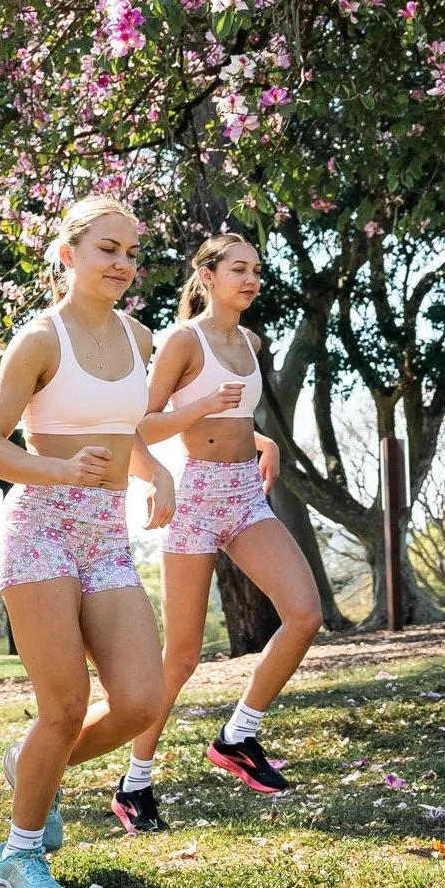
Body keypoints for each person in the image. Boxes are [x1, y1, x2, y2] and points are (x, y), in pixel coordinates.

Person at [0, 196, 174, 888]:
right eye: (105, 249)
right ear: (68, 256)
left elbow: (122, 426)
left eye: (129, 252)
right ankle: (18, 858)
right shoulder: (40, 339)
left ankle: (28, 764)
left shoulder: (139, 338)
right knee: (64, 702)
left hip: (106, 530)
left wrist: (158, 470)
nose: (121, 263)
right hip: (40, 527)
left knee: (142, 699)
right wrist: (59, 470)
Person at [112, 235, 322, 831]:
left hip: (243, 495)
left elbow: (238, 416)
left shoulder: (252, 342)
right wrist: (186, 426)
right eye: (238, 269)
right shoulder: (184, 340)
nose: (251, 279)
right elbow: (140, 426)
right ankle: (134, 784)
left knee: (304, 614)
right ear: (206, 276)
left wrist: (263, 439)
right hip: (197, 497)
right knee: (179, 657)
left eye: (256, 270)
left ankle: (237, 736)